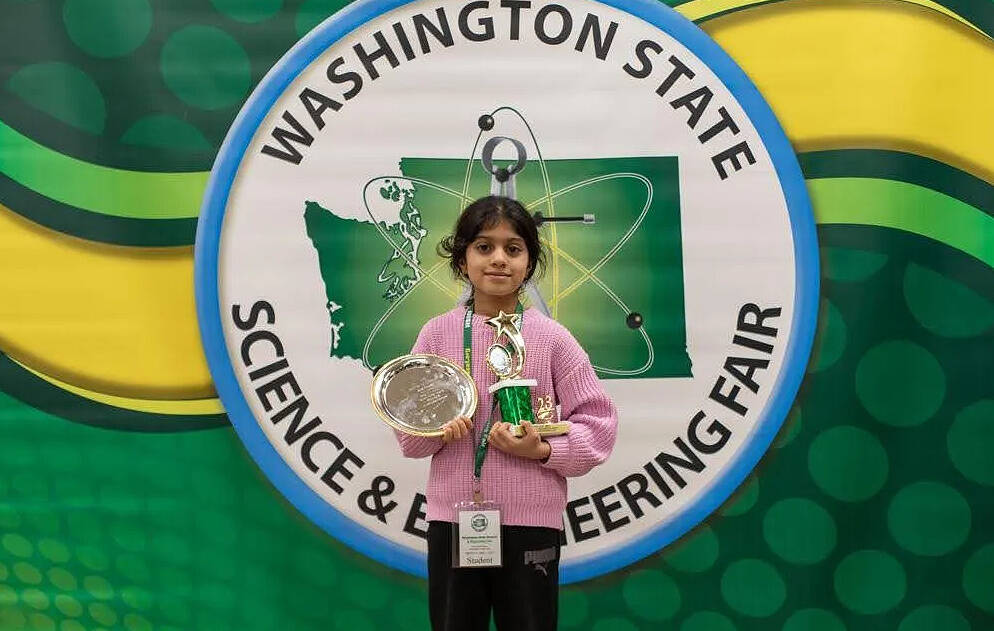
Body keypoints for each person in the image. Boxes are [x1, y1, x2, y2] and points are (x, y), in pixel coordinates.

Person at [394, 195, 618, 631]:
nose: (499, 259)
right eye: (484, 246)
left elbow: (599, 426)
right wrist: (440, 431)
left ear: (530, 263)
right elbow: (409, 435)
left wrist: (542, 450)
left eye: (513, 249)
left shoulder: (552, 339)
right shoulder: (437, 335)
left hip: (531, 523)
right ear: (462, 259)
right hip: (455, 520)